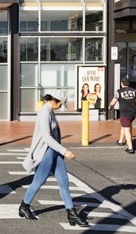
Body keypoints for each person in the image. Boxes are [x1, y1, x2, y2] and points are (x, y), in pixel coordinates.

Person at [20, 90, 88, 226]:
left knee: (64, 182)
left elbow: (55, 134)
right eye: (61, 103)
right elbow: (47, 137)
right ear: (54, 101)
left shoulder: (50, 111)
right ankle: (24, 206)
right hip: (46, 152)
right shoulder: (44, 113)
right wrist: (65, 151)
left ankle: (71, 213)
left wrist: (60, 152)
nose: (61, 106)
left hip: (54, 152)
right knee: (39, 181)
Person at [108, 77, 136, 154]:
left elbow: (112, 102)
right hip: (132, 114)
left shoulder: (119, 92)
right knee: (124, 126)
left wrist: (110, 107)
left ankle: (130, 148)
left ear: (121, 83)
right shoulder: (134, 91)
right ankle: (121, 141)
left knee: (126, 130)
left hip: (124, 114)